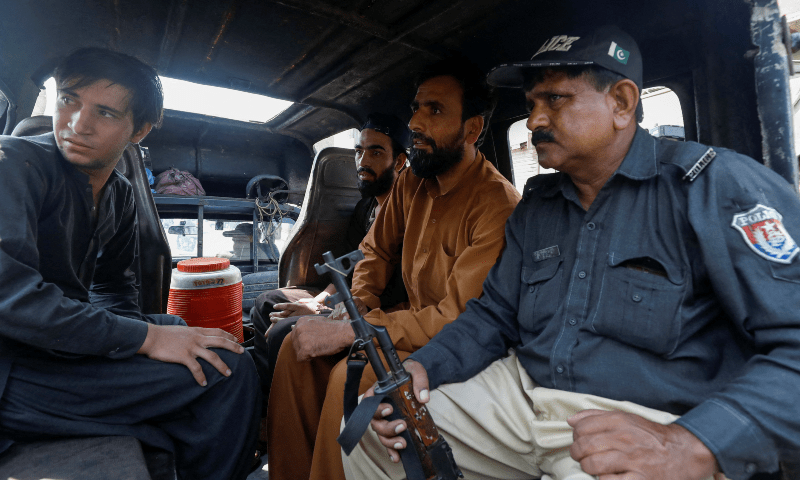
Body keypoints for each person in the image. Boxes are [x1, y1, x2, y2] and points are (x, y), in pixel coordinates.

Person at [345, 25, 800, 480]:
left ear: (621, 103)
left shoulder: (713, 188)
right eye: (531, 105)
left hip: (649, 420)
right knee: (378, 435)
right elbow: (494, 316)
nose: (534, 121)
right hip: (523, 395)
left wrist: (694, 444)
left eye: (555, 100)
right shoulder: (538, 204)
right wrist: (424, 366)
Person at [0, 48, 259, 480]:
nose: (78, 124)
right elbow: (13, 301)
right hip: (13, 372)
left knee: (195, 336)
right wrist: (142, 340)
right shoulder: (14, 163)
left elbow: (115, 290)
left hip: (59, 350)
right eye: (68, 100)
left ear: (138, 129)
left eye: (104, 112)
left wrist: (137, 346)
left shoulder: (119, 194)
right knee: (229, 371)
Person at [266, 59, 521, 480]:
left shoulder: (497, 206)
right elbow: (374, 254)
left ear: (472, 130)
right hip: (402, 327)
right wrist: (356, 307)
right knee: (298, 348)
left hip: (453, 344)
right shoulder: (412, 182)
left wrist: (359, 330)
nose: (416, 122)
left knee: (355, 376)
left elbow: (459, 318)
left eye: (434, 111)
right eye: (417, 108)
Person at [250, 112, 410, 446]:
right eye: (358, 151)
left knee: (284, 332)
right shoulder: (365, 208)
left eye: (376, 152)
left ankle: (285, 426)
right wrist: (319, 301)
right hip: (348, 297)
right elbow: (345, 269)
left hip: (380, 308)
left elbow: (388, 289)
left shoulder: (408, 213)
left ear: (401, 161)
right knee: (266, 303)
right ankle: (266, 413)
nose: (362, 161)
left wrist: (329, 314)